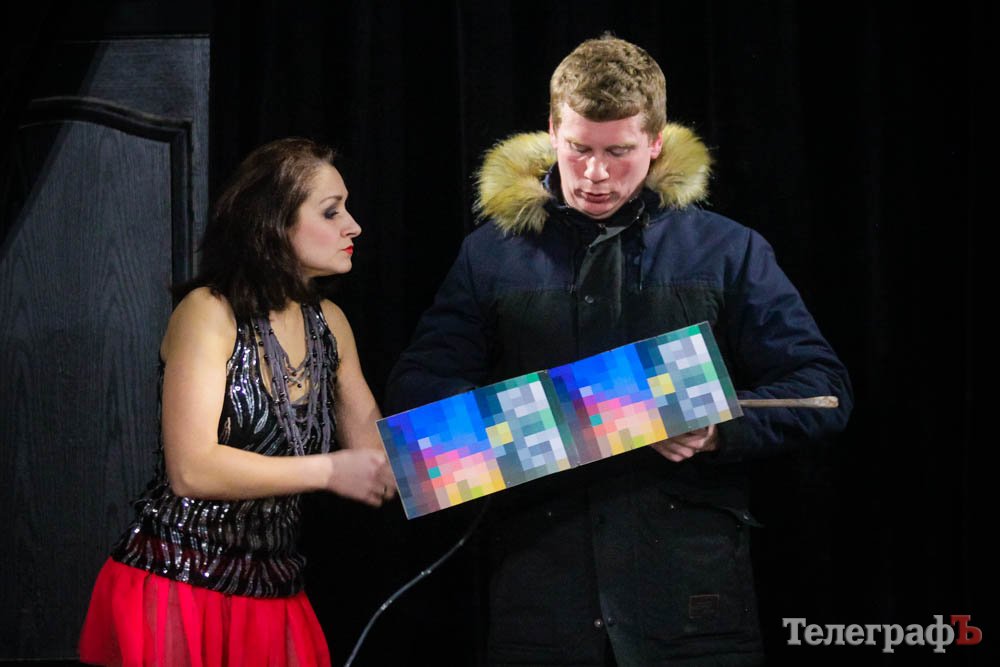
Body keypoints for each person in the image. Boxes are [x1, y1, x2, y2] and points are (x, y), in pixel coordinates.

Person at [386, 35, 852, 666]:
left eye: (619, 152)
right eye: (579, 149)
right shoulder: (489, 254)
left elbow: (823, 391)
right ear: (553, 131)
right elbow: (417, 394)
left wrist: (719, 428)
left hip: (689, 607)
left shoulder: (727, 249)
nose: (596, 174)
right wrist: (532, 425)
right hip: (541, 602)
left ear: (655, 141)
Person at [78, 137, 396, 667]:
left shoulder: (330, 325)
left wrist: (527, 428)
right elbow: (192, 470)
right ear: (274, 223)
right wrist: (328, 470)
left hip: (275, 592)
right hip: (180, 588)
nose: (354, 226)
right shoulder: (209, 313)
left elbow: (383, 464)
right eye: (331, 211)